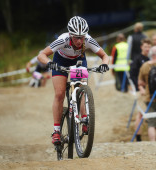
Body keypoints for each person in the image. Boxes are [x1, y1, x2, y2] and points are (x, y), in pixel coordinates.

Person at [37, 16, 110, 145]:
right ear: (70, 35)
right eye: (76, 37)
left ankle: (85, 119)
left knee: (81, 88)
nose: (79, 40)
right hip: (60, 61)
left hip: (79, 61)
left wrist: (104, 64)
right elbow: (41, 54)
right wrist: (50, 63)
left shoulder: (88, 40)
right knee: (59, 94)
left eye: (82, 37)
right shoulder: (63, 39)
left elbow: (104, 55)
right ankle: (56, 131)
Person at [130, 38, 152, 142]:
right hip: (141, 90)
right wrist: (139, 86)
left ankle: (152, 136)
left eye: (149, 47)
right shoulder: (137, 59)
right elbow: (132, 74)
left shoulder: (152, 58)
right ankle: (138, 137)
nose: (147, 49)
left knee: (152, 113)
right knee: (140, 113)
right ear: (141, 47)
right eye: (145, 47)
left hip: (151, 90)